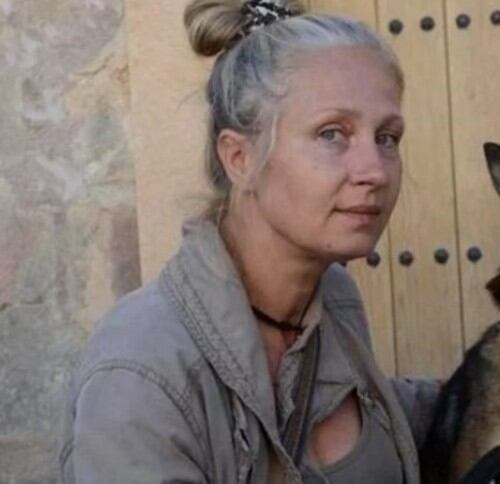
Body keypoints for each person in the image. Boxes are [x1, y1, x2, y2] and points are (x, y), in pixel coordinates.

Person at [58, 1, 440, 482]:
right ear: (239, 158)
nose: (375, 171)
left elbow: (378, 411)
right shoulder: (139, 369)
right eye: (332, 133)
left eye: (387, 137)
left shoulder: (333, 299)